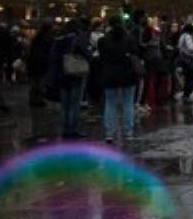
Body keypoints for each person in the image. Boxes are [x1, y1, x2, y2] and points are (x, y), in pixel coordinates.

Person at [98, 17, 139, 145]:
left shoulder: (103, 40)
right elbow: (135, 54)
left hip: (110, 74)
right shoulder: (130, 39)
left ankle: (110, 132)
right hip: (127, 73)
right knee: (128, 102)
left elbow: (101, 57)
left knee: (110, 103)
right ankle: (128, 131)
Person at [53, 19, 91, 140]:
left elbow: (53, 57)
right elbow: (87, 54)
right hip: (75, 74)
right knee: (74, 104)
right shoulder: (77, 39)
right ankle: (72, 129)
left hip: (62, 75)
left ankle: (65, 129)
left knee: (65, 105)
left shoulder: (59, 39)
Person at [26, 22, 54, 107]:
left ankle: (33, 100)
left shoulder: (35, 39)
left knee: (33, 83)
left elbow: (30, 51)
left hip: (33, 64)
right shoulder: (48, 39)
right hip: (42, 64)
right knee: (41, 83)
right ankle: (39, 100)